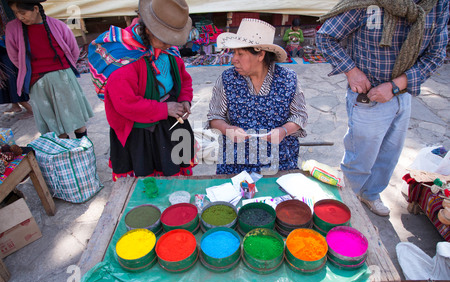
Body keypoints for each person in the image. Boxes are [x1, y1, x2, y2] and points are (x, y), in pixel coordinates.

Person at [316, 0, 449, 216]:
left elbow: (436, 54)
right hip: (368, 95)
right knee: (360, 159)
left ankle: (370, 194)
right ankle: (344, 204)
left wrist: (397, 86)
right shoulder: (368, 3)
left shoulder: (438, 4)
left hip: (402, 94)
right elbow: (325, 37)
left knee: (389, 155)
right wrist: (351, 71)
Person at [89, 0, 196, 181]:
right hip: (141, 131)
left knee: (175, 170)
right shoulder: (124, 61)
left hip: (171, 119)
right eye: (166, 38)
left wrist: (185, 99)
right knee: (149, 178)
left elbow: (184, 79)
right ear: (148, 30)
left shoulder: (168, 51)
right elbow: (126, 104)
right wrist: (165, 109)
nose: (171, 45)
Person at [207, 18, 308, 175]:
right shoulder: (226, 79)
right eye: (234, 53)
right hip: (235, 162)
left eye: (241, 53)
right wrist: (227, 129)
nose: (234, 59)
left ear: (260, 55)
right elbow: (214, 117)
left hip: (279, 162)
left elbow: (299, 115)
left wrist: (283, 131)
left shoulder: (288, 79)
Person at [5, 0, 93, 139]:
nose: (19, 17)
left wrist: (62, 71)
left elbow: (73, 50)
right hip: (37, 82)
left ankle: (84, 149)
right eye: (15, 13)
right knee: (54, 125)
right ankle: (66, 152)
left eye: (22, 13)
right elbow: (14, 56)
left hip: (63, 78)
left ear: (35, 8)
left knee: (75, 118)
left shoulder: (57, 25)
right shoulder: (12, 28)